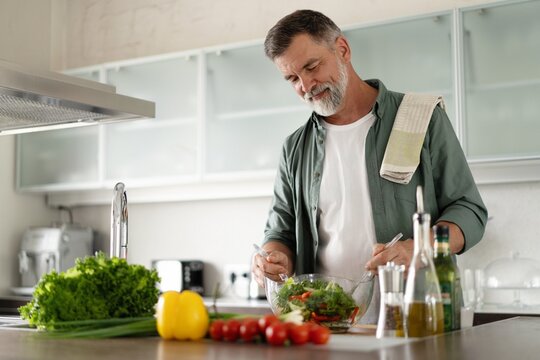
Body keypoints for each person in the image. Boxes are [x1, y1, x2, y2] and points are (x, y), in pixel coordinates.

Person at [251, 9, 488, 323]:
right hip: (325, 325)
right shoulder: (295, 147)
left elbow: (469, 212)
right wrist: (274, 256)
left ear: (343, 50)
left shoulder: (421, 118)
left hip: (418, 318)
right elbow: (280, 230)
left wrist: (420, 247)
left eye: (312, 66)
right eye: (292, 78)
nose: (306, 85)